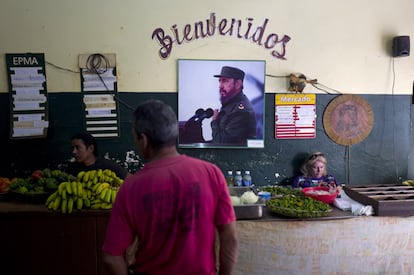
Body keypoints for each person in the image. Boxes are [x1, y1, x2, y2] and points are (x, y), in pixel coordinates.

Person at [102, 99, 238, 275]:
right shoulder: (211, 173)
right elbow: (230, 236)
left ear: (143, 140)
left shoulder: (131, 188)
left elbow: (111, 257)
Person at [211, 66, 257, 145]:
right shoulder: (230, 104)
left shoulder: (241, 111)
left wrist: (214, 121)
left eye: (225, 81)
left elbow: (222, 143)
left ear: (238, 84)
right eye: (220, 81)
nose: (220, 86)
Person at [65, 133, 130, 180]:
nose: (74, 151)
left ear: (91, 148)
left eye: (77, 147)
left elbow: (131, 179)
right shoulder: (71, 169)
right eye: (72, 148)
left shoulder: (108, 166)